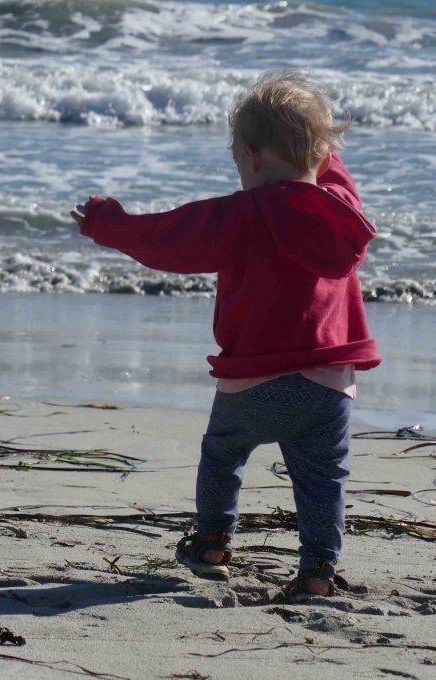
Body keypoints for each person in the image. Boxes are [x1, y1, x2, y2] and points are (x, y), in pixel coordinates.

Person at [70, 70, 380, 598]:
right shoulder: (342, 210)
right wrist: (317, 142)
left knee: (223, 454)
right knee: (324, 477)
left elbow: (169, 239)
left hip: (253, 379)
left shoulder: (242, 213)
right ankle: (318, 573)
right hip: (329, 379)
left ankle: (213, 545)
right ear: (325, 157)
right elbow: (328, 167)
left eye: (239, 156)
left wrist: (108, 223)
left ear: (252, 156)